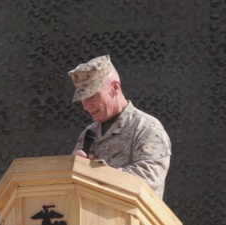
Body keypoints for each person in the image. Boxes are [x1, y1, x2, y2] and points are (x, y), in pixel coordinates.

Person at [67, 55, 171, 198]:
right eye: (83, 99)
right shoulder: (89, 133)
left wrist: (97, 173)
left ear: (115, 87)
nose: (86, 106)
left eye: (92, 96)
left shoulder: (146, 128)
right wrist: (75, 168)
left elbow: (150, 178)